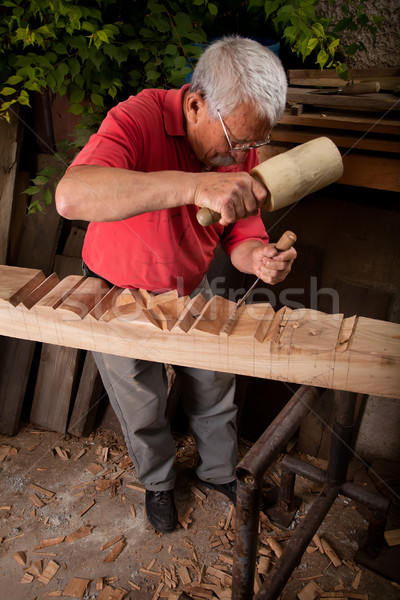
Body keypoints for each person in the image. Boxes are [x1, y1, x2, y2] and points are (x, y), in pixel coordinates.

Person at [55, 35, 297, 533]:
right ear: (194, 104)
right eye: (236, 143)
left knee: (213, 383)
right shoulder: (136, 118)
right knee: (141, 400)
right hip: (115, 286)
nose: (241, 156)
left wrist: (260, 258)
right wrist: (191, 186)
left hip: (189, 281)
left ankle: (217, 472)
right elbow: (72, 195)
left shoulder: (237, 143)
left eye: (252, 145)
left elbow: (240, 230)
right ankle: (160, 483)